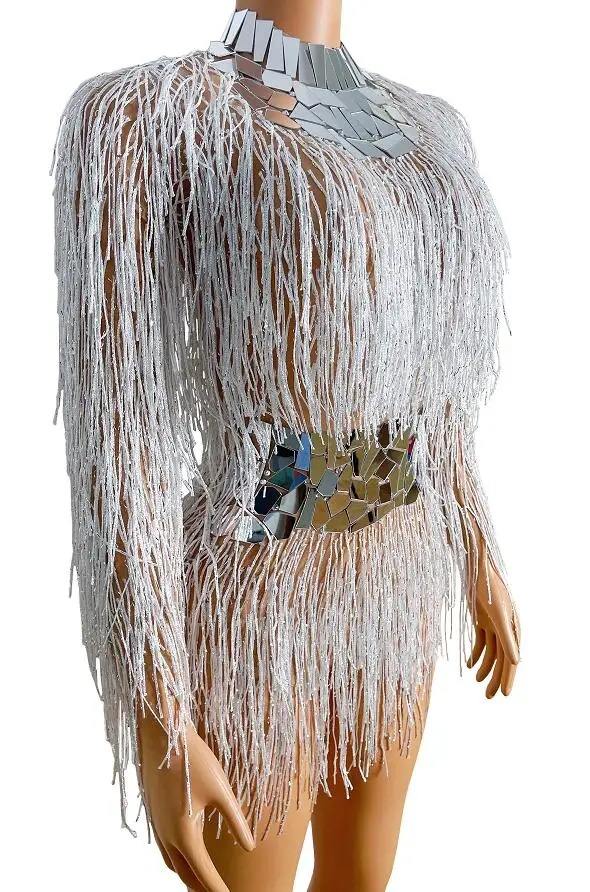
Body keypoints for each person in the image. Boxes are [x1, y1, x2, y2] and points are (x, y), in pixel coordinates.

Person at [53, 2, 520, 889]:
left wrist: (477, 550)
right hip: (261, 579)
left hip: (398, 576)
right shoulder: (142, 119)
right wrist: (156, 709)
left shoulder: (432, 127)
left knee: (363, 878)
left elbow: (440, 384)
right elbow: (118, 440)